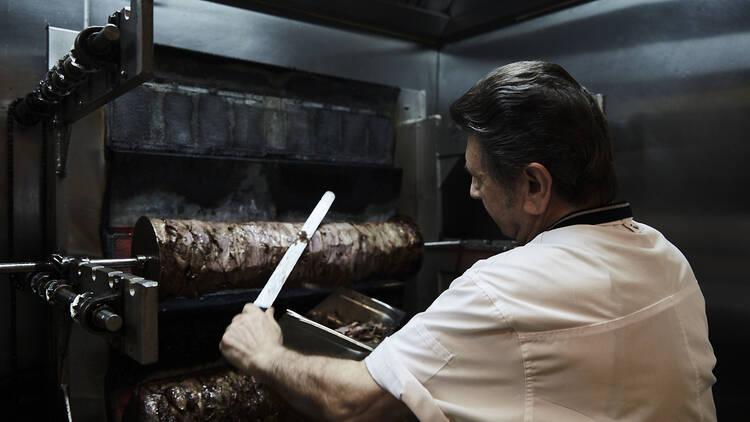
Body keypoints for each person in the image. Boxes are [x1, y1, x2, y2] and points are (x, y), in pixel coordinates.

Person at [220, 61, 717, 421]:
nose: (473, 190)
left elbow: (353, 402)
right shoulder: (668, 257)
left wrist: (265, 356)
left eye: (478, 176)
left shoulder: (503, 290)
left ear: (535, 186)